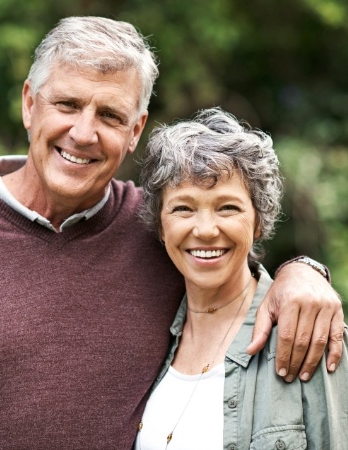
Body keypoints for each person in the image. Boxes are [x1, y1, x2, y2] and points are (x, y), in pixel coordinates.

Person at [0, 16, 343, 449]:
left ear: (135, 130)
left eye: (110, 115)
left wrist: (303, 271)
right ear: (28, 103)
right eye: (67, 104)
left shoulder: (155, 227)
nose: (83, 133)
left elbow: (231, 260)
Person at [135, 107, 348, 449]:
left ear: (259, 220)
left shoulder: (305, 334)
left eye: (227, 208)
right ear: (161, 227)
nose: (205, 230)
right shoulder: (148, 337)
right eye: (183, 208)